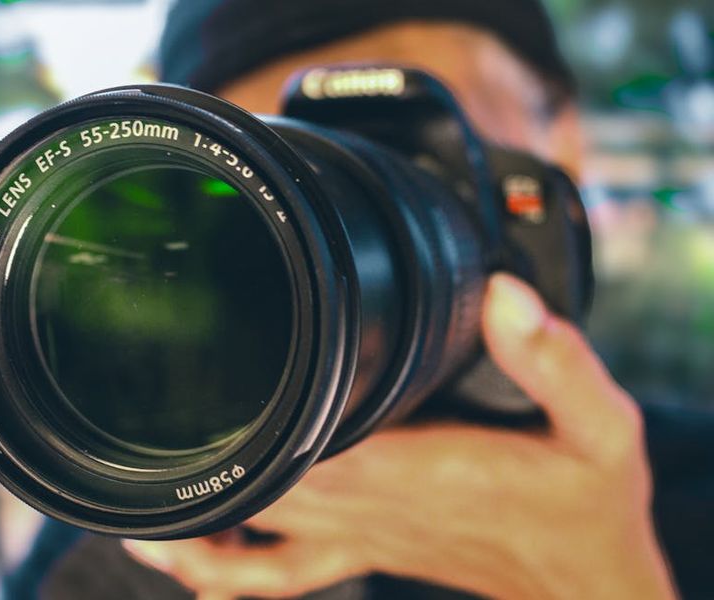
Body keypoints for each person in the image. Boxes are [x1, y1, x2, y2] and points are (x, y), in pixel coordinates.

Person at [37, 1, 713, 599]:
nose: (333, 252)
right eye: (294, 163)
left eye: (420, 156)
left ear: (562, 138)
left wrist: (601, 578)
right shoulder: (147, 491)